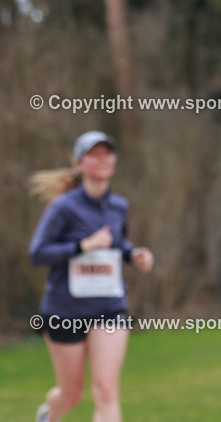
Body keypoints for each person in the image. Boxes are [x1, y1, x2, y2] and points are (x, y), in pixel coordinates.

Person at [28, 131, 154, 422]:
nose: (102, 159)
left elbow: (117, 244)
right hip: (65, 310)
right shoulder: (63, 207)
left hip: (109, 306)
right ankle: (48, 416)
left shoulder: (119, 206)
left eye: (107, 153)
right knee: (71, 394)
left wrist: (133, 254)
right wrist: (83, 246)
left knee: (106, 391)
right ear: (79, 163)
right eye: (94, 154)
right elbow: (38, 253)